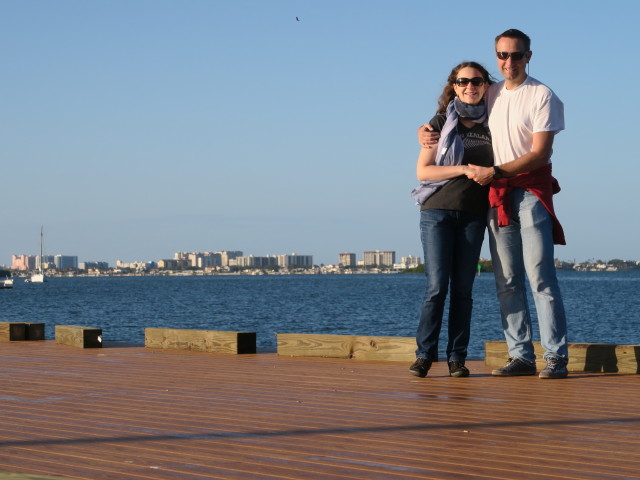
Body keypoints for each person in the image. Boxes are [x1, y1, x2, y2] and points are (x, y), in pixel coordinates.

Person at [418, 28, 569, 379]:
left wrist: (496, 170)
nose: (509, 62)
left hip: (529, 192)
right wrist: (423, 130)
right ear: (496, 58)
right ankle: (521, 355)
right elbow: (453, 112)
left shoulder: (542, 95)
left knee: (541, 278)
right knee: (507, 280)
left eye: (516, 55)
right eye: (502, 55)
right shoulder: (492, 93)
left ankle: (555, 358)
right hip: (496, 197)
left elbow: (540, 153)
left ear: (529, 56)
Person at [409, 61, 494, 378]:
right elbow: (423, 172)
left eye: (477, 81)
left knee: (463, 289)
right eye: (463, 82)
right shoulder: (441, 122)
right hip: (438, 212)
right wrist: (464, 169)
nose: (470, 86)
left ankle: (457, 357)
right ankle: (424, 356)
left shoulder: (495, 123)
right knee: (436, 287)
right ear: (453, 86)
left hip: (474, 214)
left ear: (486, 85)